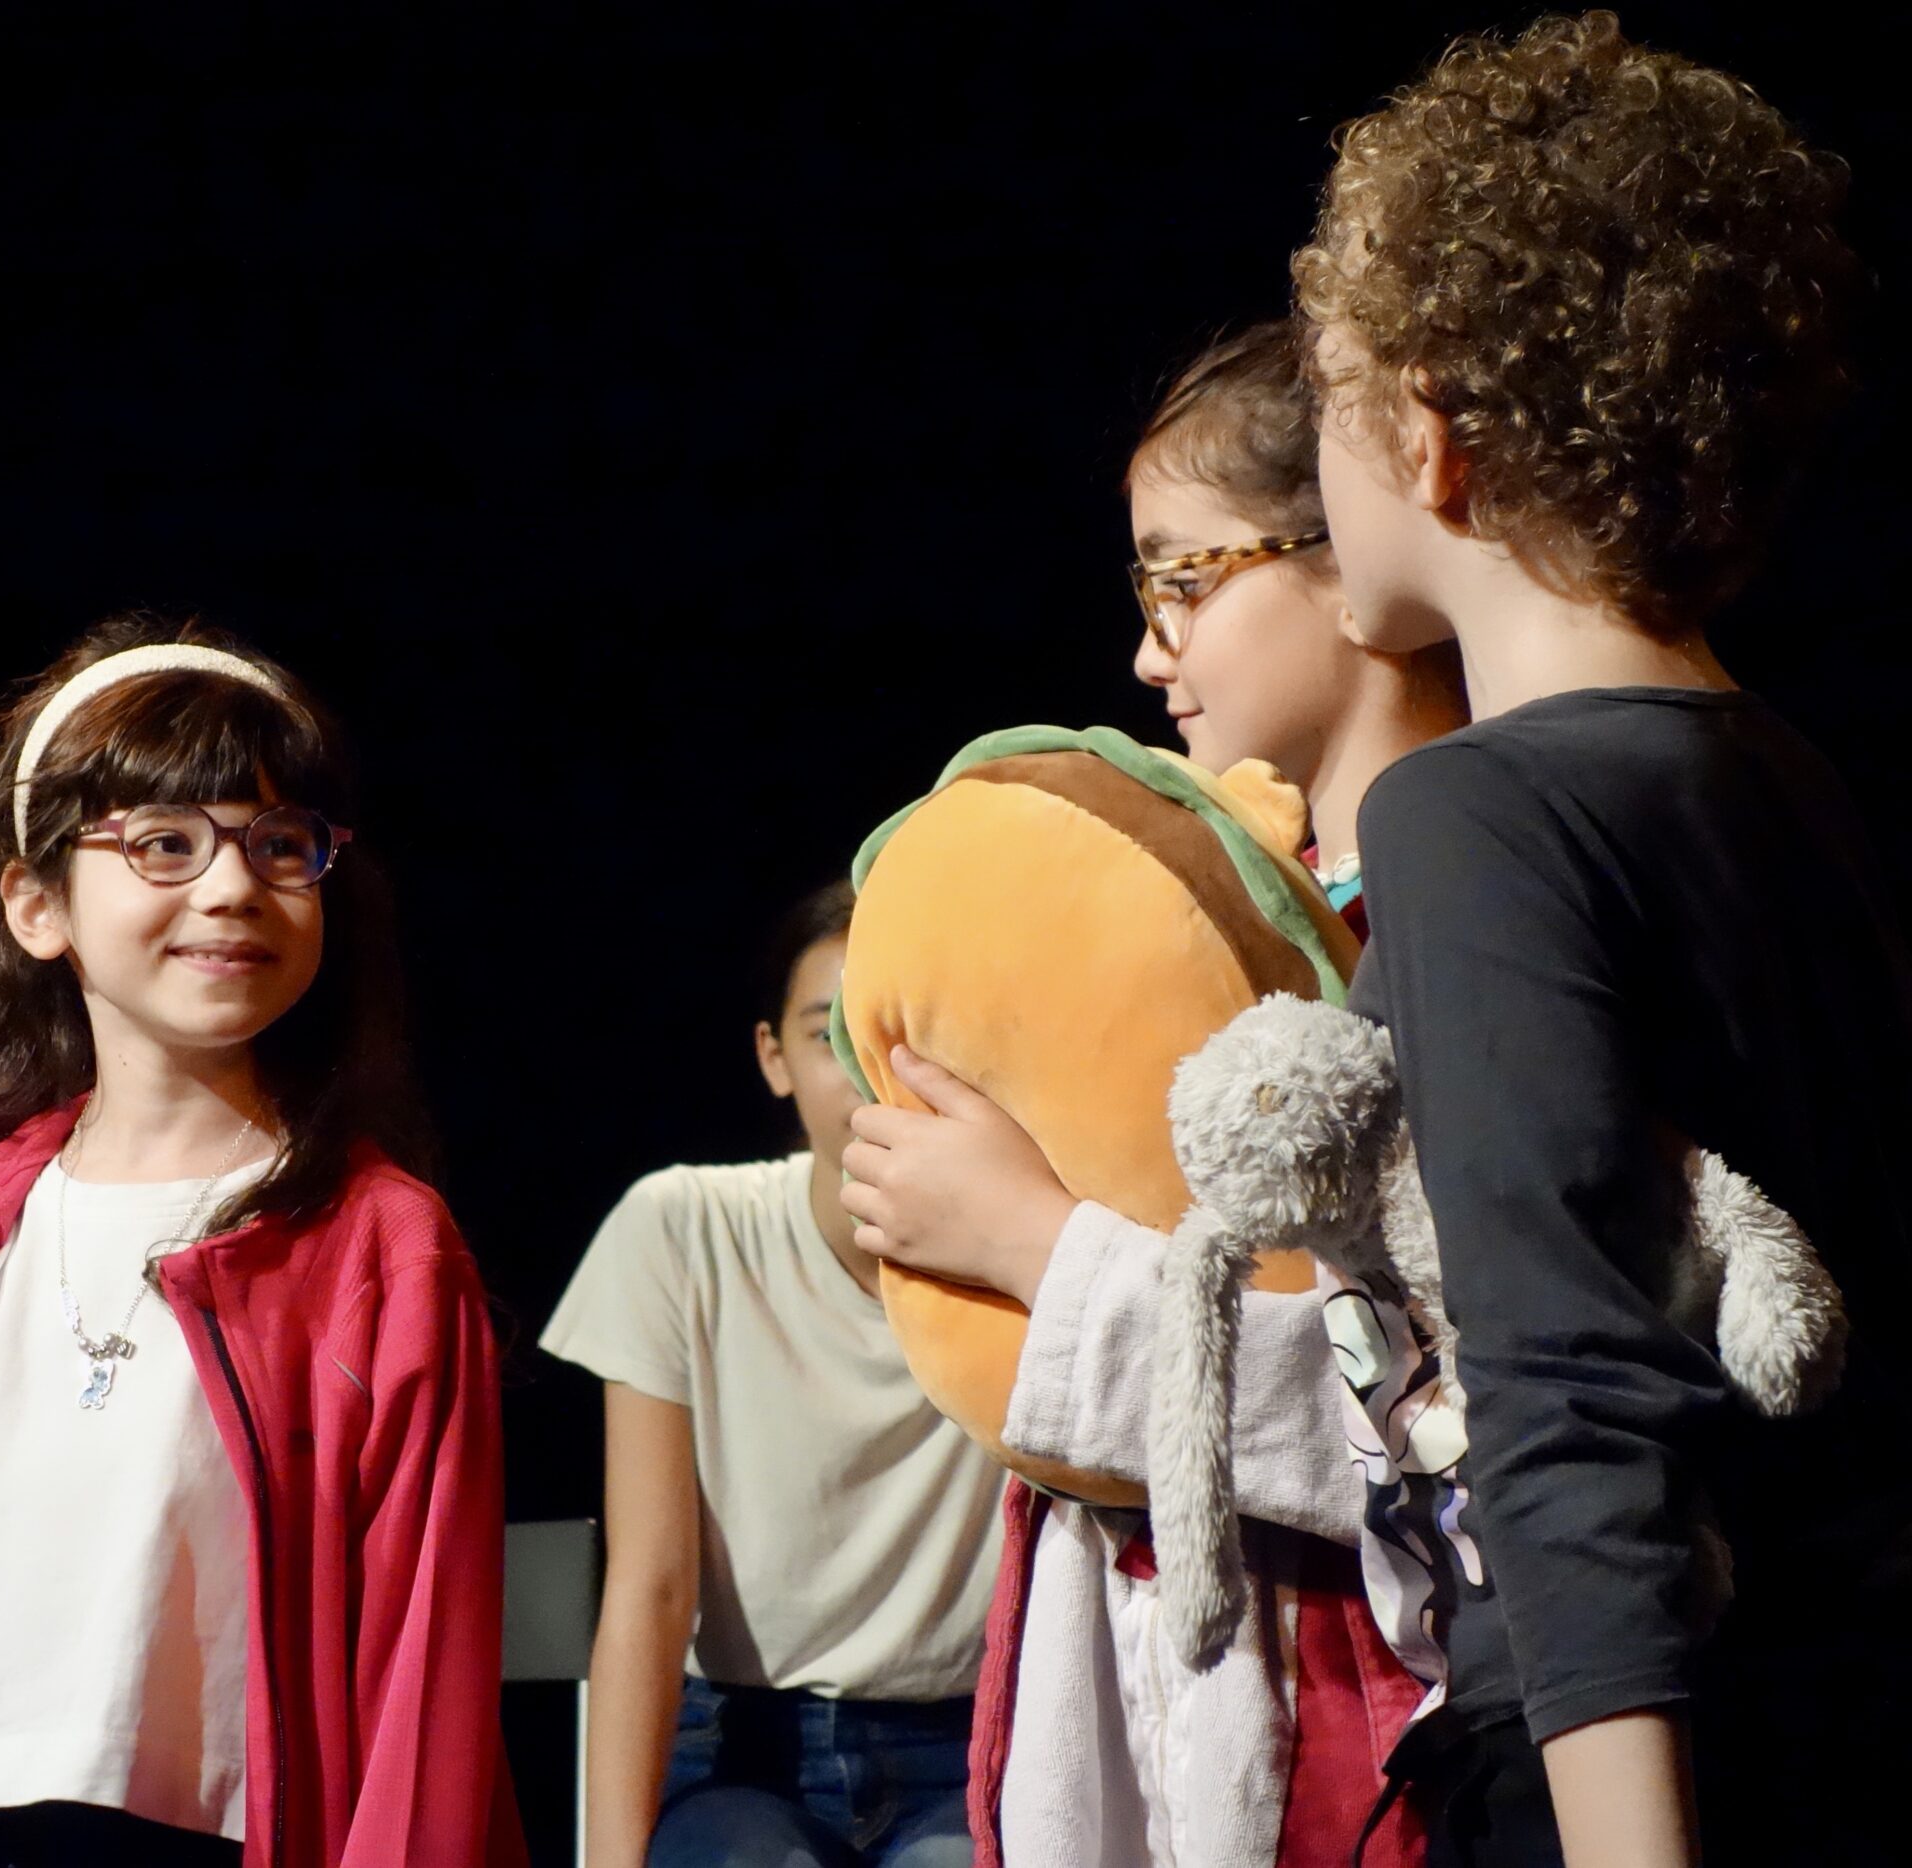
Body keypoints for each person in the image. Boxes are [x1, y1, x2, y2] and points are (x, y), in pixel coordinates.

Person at [1297, 12, 1904, 1861]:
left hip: (1636, 1771)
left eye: (1326, 391)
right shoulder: (1790, 778)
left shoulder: (1472, 813)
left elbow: (1565, 1395)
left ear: (1432, 434)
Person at [840, 321, 1461, 1865]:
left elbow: (1461, 1414)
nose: (1148, 652)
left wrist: (1035, 1247)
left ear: (1351, 548)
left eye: (1188, 578)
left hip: (1370, 1723)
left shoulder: (1464, 919)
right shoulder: (1189, 909)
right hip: (1144, 1689)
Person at [0, 617, 525, 1868]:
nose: (233, 885)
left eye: (279, 842)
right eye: (163, 842)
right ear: (38, 905)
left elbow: (425, 1693)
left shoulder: (382, 1248)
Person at [543, 880, 1004, 1868]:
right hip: (739, 1749)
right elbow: (652, 1581)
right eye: (830, 1033)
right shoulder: (685, 1229)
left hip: (968, 1743)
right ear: (773, 1058)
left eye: (904, 1033)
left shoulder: (1022, 1250)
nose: (870, 1070)